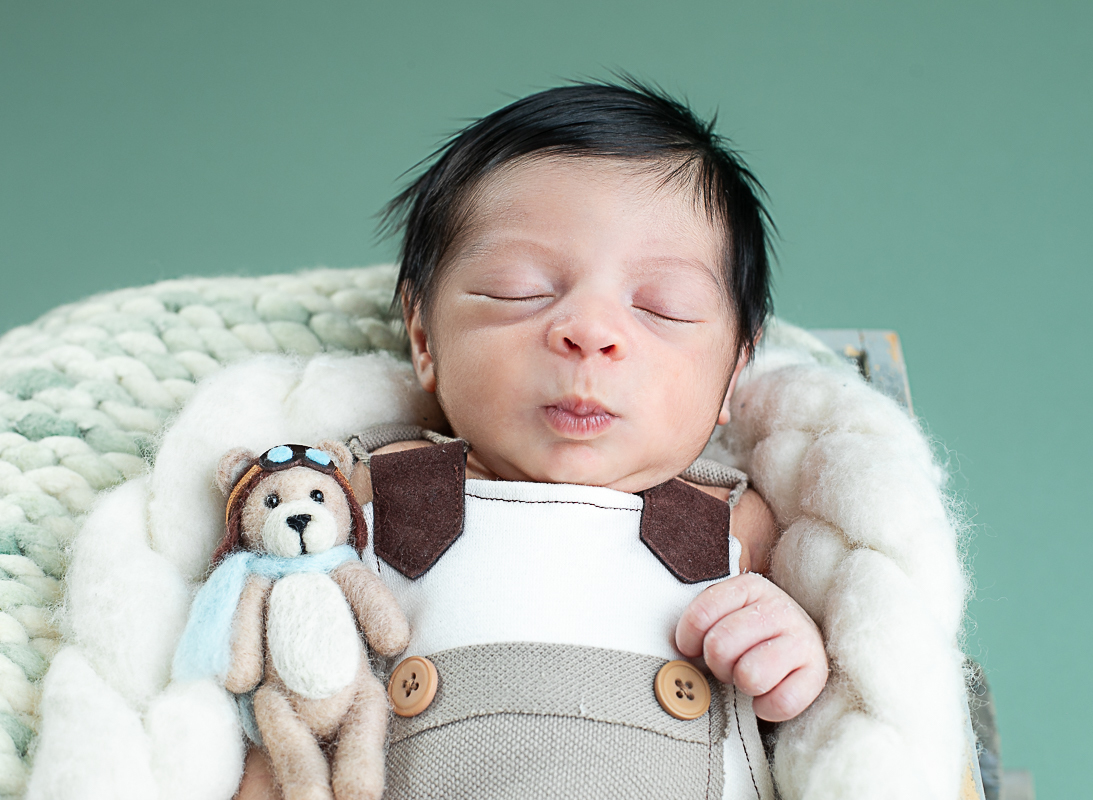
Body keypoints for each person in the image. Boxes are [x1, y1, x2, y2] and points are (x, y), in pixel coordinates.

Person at [238, 80, 829, 800]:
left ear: (734, 374)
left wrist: (794, 655)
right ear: (424, 337)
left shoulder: (737, 526)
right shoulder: (372, 489)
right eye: (520, 291)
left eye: (661, 309)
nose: (590, 331)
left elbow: (853, 690)